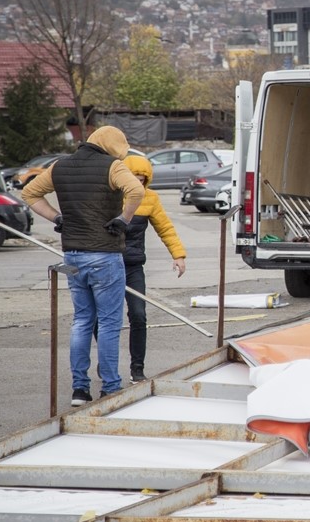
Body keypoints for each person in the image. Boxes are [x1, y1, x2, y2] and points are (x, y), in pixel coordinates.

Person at [21, 126, 144, 407]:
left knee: (81, 321)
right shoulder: (113, 166)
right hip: (105, 255)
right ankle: (111, 386)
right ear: (111, 147)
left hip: (73, 256)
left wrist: (56, 217)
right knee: (110, 323)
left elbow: (29, 194)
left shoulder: (59, 166)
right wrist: (124, 219)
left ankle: (79, 389)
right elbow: (136, 190)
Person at [116, 155, 187, 384]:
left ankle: (137, 369)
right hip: (108, 265)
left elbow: (165, 227)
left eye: (143, 179)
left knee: (138, 315)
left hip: (134, 266)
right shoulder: (110, 197)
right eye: (134, 178)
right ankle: (106, 364)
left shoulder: (151, 198)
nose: (138, 182)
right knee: (105, 318)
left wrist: (178, 255)